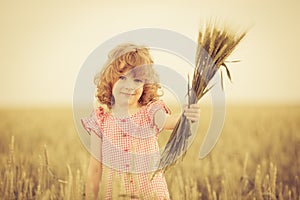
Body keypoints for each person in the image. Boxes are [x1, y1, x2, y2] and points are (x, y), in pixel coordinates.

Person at [81, 43, 200, 199]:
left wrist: (186, 116)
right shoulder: (101, 119)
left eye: (137, 80)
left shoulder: (150, 111)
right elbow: (95, 168)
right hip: (116, 194)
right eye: (122, 77)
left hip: (150, 193)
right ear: (110, 79)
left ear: (146, 84)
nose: (129, 86)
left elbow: (168, 121)